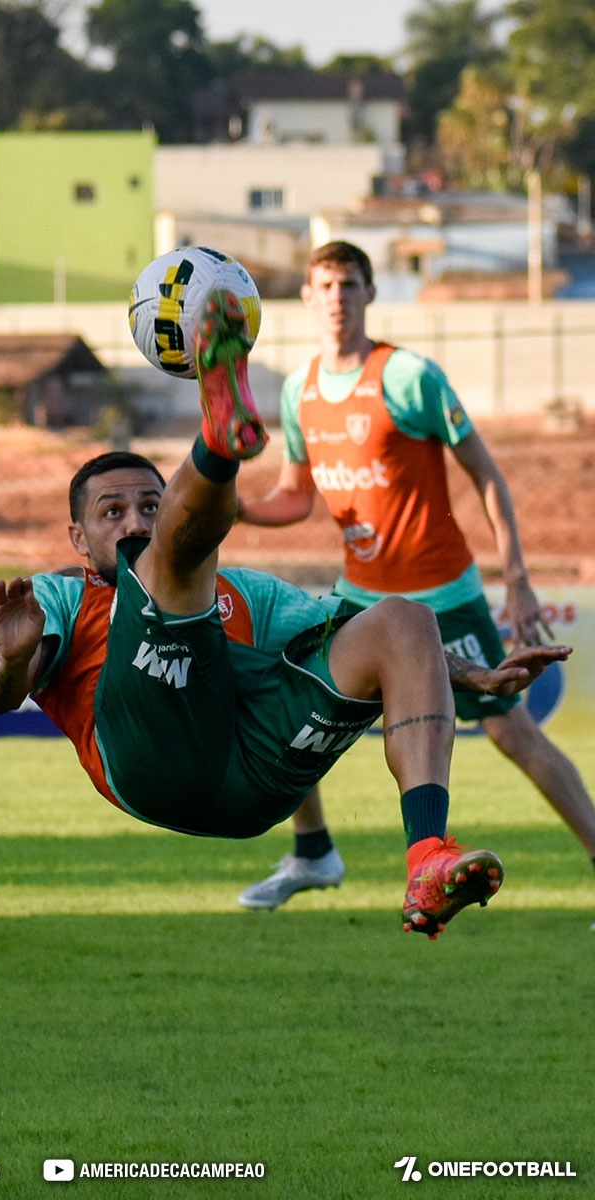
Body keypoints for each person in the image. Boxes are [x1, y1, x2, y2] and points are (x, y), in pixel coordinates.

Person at [0, 287, 570, 939]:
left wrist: (475, 676)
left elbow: (358, 638)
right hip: (148, 768)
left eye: (150, 505)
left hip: (252, 782)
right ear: (77, 539)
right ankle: (218, 439)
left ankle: (425, 856)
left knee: (404, 621)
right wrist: (6, 658)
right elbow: (0, 696)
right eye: (111, 513)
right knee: (169, 573)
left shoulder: (249, 595)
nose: (134, 520)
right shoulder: (56, 597)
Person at [234, 240, 595, 912]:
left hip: (441, 597)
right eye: (325, 286)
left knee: (511, 732)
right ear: (308, 298)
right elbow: (296, 495)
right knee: (286, 699)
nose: (337, 297)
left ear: (370, 294)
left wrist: (515, 575)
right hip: (360, 599)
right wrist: (235, 506)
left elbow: (486, 473)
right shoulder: (299, 389)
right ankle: (312, 852)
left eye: (349, 284)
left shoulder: (407, 377)